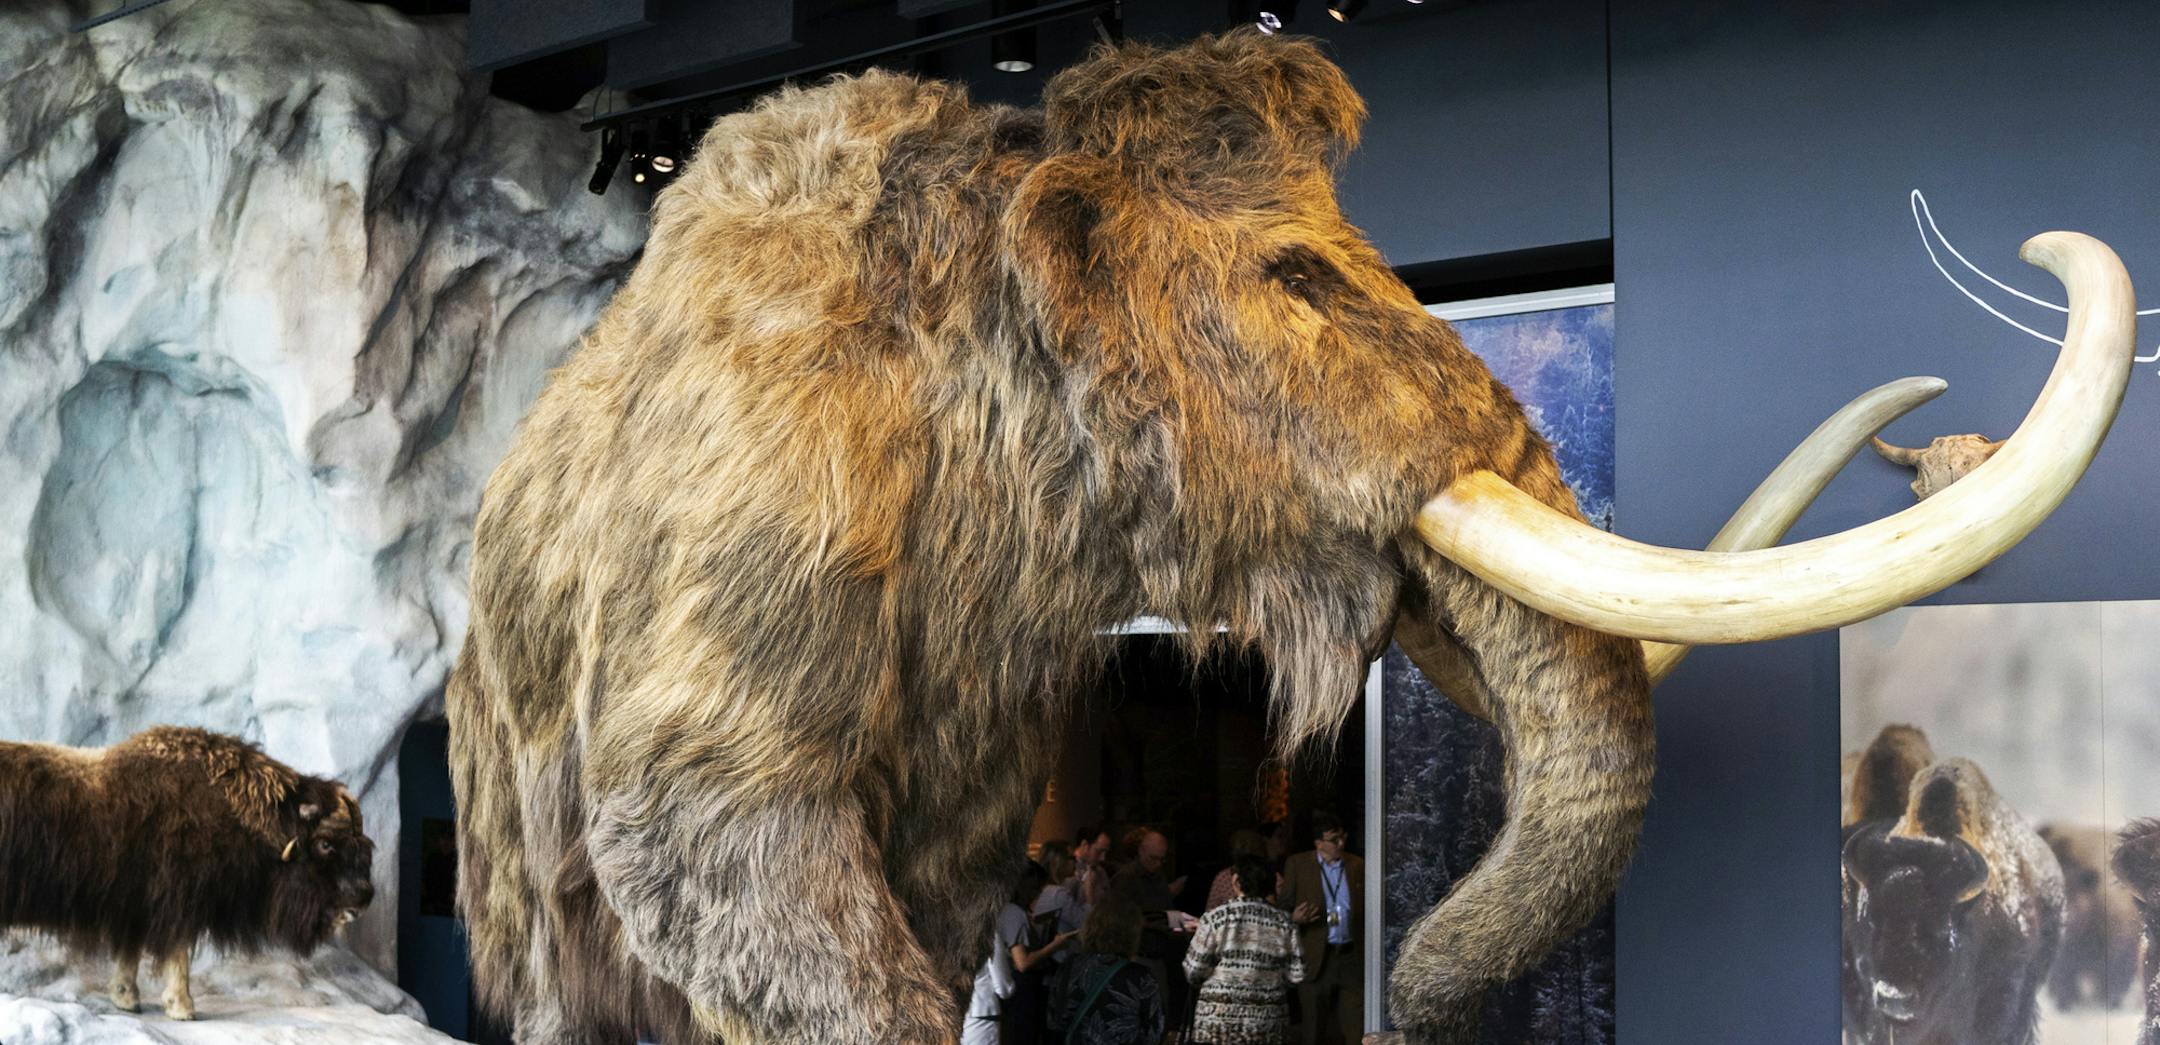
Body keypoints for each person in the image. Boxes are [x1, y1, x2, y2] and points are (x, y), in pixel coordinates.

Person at [1185, 857, 1304, 1045]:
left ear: (1235, 881)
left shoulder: (1214, 918)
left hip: (1217, 1025)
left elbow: (1194, 971)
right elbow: (1296, 975)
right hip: (1267, 1025)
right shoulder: (1284, 922)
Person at [967, 861, 1076, 1045]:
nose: (1037, 895)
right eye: (1035, 889)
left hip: (966, 1013)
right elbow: (1019, 966)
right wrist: (1056, 945)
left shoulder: (960, 928)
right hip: (992, 1009)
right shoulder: (1010, 914)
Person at [1276, 813, 1363, 1045]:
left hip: (1350, 957)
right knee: (1313, 1030)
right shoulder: (1298, 864)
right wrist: (1295, 918)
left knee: (1357, 1028)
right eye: (1334, 840)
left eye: (1343, 837)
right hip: (1316, 956)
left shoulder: (1356, 864)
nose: (1341, 844)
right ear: (1318, 843)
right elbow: (1282, 909)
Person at [1047, 894, 1165, 1045]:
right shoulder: (1140, 977)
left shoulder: (1070, 965)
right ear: (1133, 934)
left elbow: (1054, 1021)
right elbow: (1154, 1033)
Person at [1205, 829, 1271, 912]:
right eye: (1234, 848)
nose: (1235, 852)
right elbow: (1210, 909)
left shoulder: (1269, 875)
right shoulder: (1222, 877)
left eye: (1243, 847)